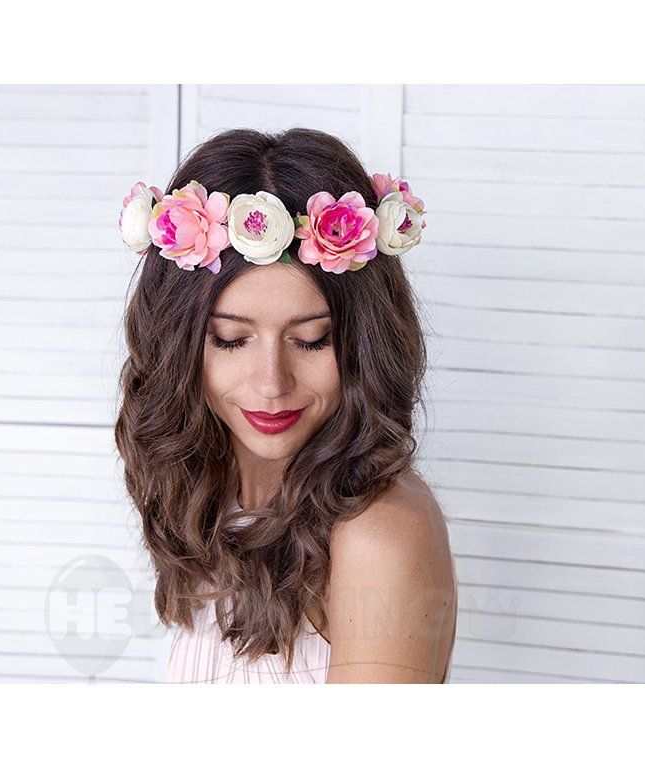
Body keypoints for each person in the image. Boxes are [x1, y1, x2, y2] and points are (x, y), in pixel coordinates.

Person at [114, 127, 457, 683]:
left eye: (312, 339)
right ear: (177, 346)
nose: (272, 383)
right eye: (231, 339)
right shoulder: (219, 497)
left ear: (364, 345)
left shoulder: (380, 534)